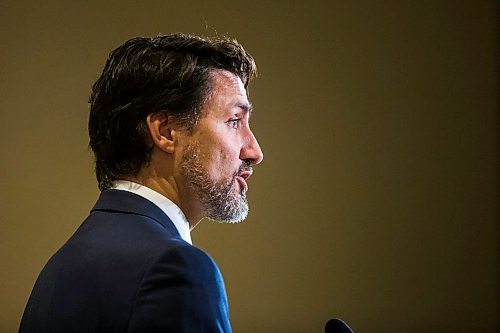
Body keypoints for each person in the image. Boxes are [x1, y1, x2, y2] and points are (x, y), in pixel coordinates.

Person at [19, 33, 263, 333]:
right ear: (166, 132)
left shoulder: (59, 268)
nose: (254, 151)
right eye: (234, 121)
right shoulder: (175, 269)